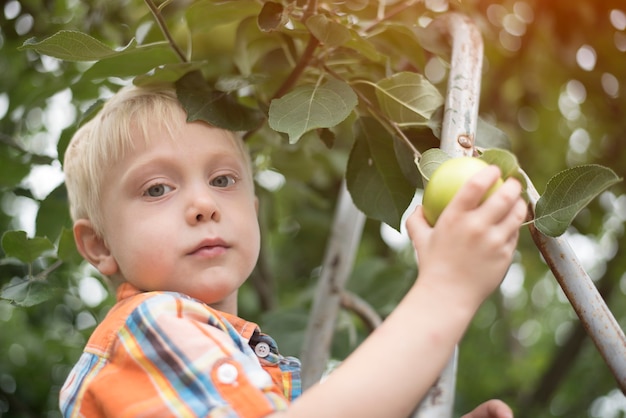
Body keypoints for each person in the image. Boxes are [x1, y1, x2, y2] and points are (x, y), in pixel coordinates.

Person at [59, 83, 527, 418]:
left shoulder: (241, 359)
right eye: (158, 188)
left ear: (253, 209)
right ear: (99, 245)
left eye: (223, 180)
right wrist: (446, 290)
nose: (203, 205)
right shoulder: (149, 326)